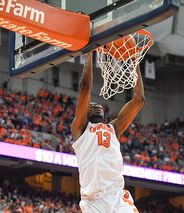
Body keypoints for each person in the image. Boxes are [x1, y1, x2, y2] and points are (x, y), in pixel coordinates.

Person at [72, 51, 144, 212]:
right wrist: (90, 51)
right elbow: (85, 86)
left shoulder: (114, 129)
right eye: (93, 105)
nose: (97, 106)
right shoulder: (81, 129)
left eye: (100, 106)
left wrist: (135, 61)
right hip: (92, 201)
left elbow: (139, 99)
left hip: (117, 195)